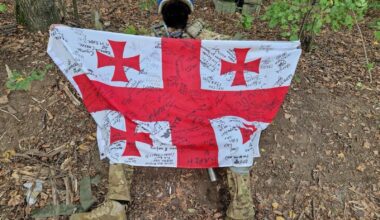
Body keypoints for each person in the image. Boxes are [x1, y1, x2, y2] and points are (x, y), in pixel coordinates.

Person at [70, 1, 255, 219]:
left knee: (237, 129)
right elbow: (123, 59)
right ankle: (116, 205)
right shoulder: (149, 41)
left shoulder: (210, 40)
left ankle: (242, 209)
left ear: (189, 12)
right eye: (170, 7)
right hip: (161, 112)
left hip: (201, 114)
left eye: (179, 7)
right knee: (120, 121)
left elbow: (244, 55)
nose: (175, 13)